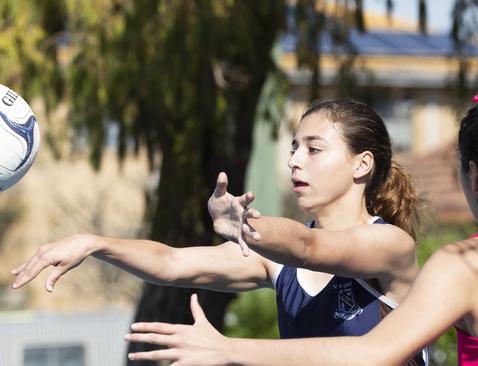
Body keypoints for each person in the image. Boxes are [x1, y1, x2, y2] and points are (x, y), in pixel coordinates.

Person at [125, 38, 478, 366]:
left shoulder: (467, 264)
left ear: (475, 176)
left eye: (313, 147)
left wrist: (230, 349)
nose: (297, 161)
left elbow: (369, 351)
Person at [11, 98, 428, 364]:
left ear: (362, 164)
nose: (295, 161)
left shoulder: (390, 245)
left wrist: (248, 228)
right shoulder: (275, 262)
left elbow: (307, 245)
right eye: (294, 148)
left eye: (314, 149)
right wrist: (96, 242)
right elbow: (171, 262)